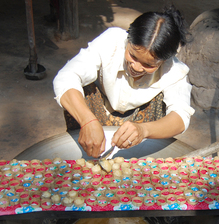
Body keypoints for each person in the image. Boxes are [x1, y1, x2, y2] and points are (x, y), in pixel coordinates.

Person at [53, 5, 195, 158]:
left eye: (148, 65)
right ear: (128, 40)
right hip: (96, 115)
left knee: (162, 102)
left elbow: (181, 117)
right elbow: (66, 77)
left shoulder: (173, 70)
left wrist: (144, 130)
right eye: (132, 56)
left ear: (164, 61)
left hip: (141, 125)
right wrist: (87, 120)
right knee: (77, 85)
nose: (136, 67)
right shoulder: (112, 41)